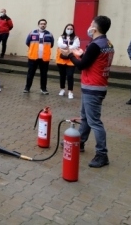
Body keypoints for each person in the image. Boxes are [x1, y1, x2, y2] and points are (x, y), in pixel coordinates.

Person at [61, 15, 114, 168]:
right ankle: (80, 143)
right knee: (85, 117)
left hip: (93, 87)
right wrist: (81, 54)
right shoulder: (107, 43)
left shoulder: (96, 44)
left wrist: (70, 55)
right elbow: (92, 60)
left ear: (95, 28)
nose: (89, 26)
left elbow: (82, 65)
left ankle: (102, 154)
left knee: (94, 122)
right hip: (95, 86)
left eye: (91, 24)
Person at [24, 19, 54, 95]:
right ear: (38, 25)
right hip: (33, 58)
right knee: (30, 73)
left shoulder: (49, 34)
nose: (42, 25)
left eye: (44, 24)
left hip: (44, 58)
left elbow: (52, 45)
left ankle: (43, 89)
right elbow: (27, 43)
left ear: (46, 25)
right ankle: (27, 88)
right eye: (41, 24)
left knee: (44, 74)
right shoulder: (32, 33)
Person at [56, 23, 80, 99]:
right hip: (61, 59)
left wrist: (67, 48)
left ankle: (70, 91)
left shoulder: (76, 38)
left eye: (71, 29)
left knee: (70, 76)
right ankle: (62, 89)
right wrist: (68, 47)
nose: (69, 30)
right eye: (68, 28)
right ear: (65, 29)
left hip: (71, 60)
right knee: (62, 75)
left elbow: (76, 45)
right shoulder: (61, 37)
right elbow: (60, 44)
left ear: (73, 30)